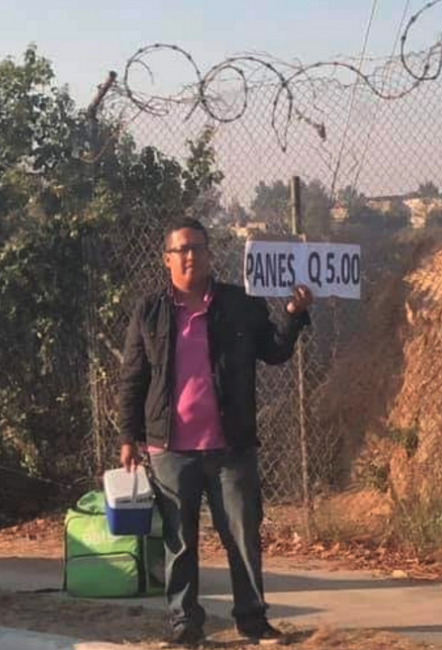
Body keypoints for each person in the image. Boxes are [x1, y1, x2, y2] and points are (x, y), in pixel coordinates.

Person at [118, 217, 312, 646]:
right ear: (166, 258)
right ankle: (185, 626)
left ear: (209, 255)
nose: (191, 256)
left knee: (243, 536)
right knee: (180, 543)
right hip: (169, 449)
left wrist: (294, 314)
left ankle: (253, 621)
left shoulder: (240, 303)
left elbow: (275, 352)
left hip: (232, 446)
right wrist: (127, 436)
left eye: (198, 248)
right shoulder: (149, 311)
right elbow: (133, 376)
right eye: (182, 249)